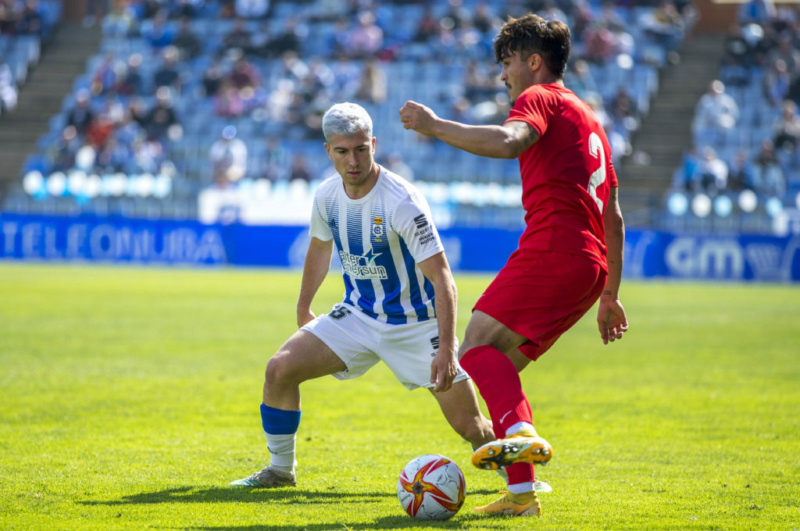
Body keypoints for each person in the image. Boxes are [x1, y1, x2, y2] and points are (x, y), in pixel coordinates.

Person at [400, 13, 628, 518]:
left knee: (474, 347)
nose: (503, 76)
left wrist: (436, 126)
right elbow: (612, 215)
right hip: (588, 267)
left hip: (555, 249)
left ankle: (521, 438)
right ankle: (522, 494)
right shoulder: (591, 120)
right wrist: (609, 293)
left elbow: (509, 142)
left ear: (533, 61)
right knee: (498, 364)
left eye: (507, 63)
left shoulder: (540, 97)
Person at [229, 102, 496, 490]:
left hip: (416, 325)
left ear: (374, 144)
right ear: (328, 151)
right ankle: (280, 471)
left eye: (360, 150)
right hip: (358, 316)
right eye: (342, 151)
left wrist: (447, 350)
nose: (353, 161)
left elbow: (443, 280)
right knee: (279, 369)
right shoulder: (326, 196)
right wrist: (304, 306)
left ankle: (521, 475)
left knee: (469, 426)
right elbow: (320, 249)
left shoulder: (402, 200)